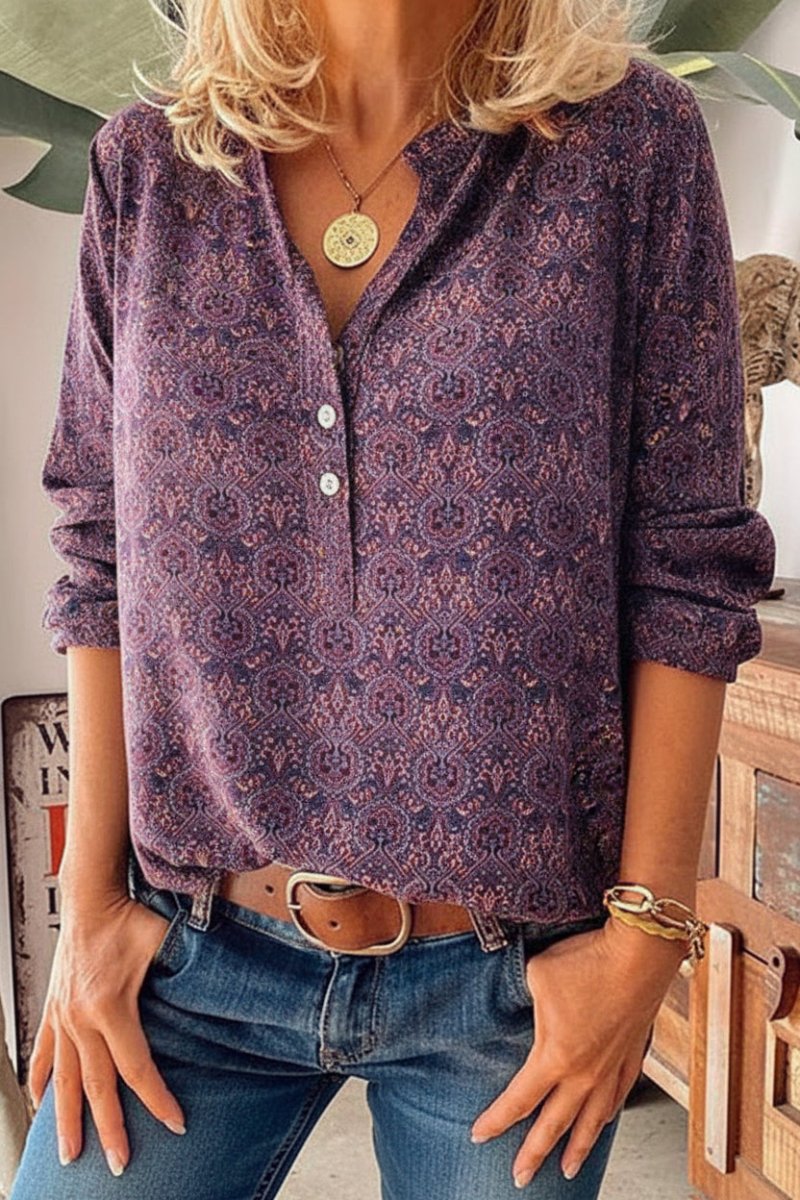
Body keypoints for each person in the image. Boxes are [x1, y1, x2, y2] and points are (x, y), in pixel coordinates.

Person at [10, 0, 776, 1197]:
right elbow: (100, 548)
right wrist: (89, 910)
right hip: (190, 958)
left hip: (506, 979)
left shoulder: (627, 147)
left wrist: (639, 946)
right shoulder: (152, 168)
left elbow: (685, 564)